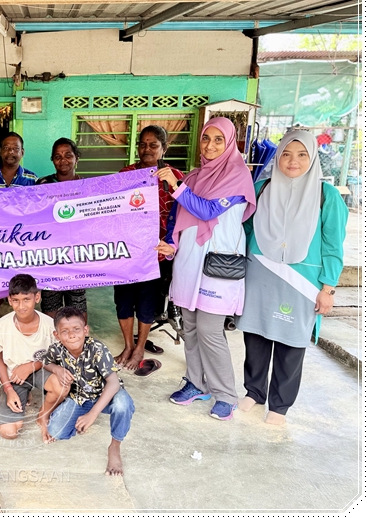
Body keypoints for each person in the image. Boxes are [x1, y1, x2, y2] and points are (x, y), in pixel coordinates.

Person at [235, 130, 348, 425]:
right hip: (260, 271)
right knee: (255, 335)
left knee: (291, 341)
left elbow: (334, 245)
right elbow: (244, 229)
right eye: (286, 154)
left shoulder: (327, 196)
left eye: (301, 155)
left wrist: (328, 288)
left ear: (312, 159)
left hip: (303, 281)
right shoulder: (262, 188)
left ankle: (280, 405)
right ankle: (254, 391)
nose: (292, 161)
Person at [155, 117, 256, 421]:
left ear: (229, 143)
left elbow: (208, 210)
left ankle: (225, 394)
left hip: (218, 264)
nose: (210, 145)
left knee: (210, 331)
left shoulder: (238, 175)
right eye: (206, 138)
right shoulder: (195, 177)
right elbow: (178, 216)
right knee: (190, 327)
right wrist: (171, 244)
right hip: (189, 259)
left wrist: (176, 186)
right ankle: (196, 383)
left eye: (218, 140)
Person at [113, 126, 184, 370]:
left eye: (153, 145)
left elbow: (184, 214)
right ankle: (128, 345)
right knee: (123, 301)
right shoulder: (126, 174)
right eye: (143, 144)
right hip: (127, 251)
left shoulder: (174, 176)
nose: (147, 149)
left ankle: (140, 347)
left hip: (156, 254)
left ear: (164, 148)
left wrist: (173, 246)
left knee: (147, 303)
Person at [44, 307, 135, 476]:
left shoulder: (97, 349)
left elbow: (113, 383)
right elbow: (46, 362)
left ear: (85, 330)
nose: (72, 335)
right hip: (80, 397)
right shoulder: (57, 349)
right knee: (56, 431)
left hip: (106, 395)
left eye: (76, 329)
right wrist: (57, 369)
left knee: (123, 404)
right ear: (57, 335)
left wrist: (93, 414)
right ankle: (81, 418)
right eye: (65, 331)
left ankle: (114, 446)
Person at [0, 274, 67, 442]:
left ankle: (43, 415)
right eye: (16, 300)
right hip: (15, 376)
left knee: (62, 385)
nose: (21, 306)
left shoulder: (50, 325)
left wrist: (31, 366)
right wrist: (8, 389)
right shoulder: (1, 326)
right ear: (9, 300)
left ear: (37, 297)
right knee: (8, 432)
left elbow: (57, 355)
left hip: (42, 370)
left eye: (26, 299)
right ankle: (23, 394)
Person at [0, 132, 38, 323]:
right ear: (0, 151)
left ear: (22, 152)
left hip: (21, 242)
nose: (11, 152)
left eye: (15, 148)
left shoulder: (32, 179)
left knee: (20, 284)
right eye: (7, 148)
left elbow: (37, 211)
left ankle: (20, 322)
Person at [36, 138, 88, 323]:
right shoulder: (42, 184)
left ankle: (79, 338)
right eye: (57, 157)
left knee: (78, 302)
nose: (63, 160)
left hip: (78, 254)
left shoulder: (88, 187)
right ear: (52, 160)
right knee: (50, 302)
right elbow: (33, 216)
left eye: (68, 155)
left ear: (77, 158)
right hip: (50, 254)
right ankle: (53, 338)